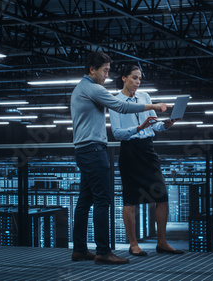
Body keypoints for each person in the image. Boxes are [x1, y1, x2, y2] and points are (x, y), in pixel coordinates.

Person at [70, 52, 168, 265]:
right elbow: (122, 106)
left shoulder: (81, 88)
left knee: (84, 201)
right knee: (102, 201)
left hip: (84, 150)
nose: (107, 75)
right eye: (104, 70)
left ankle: (79, 249)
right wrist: (153, 106)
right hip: (93, 151)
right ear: (92, 70)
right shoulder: (93, 89)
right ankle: (103, 252)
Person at [109, 64, 184, 256]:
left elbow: (154, 125)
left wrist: (165, 125)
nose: (138, 82)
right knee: (130, 200)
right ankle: (133, 245)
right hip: (130, 151)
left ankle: (162, 242)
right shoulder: (115, 100)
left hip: (148, 150)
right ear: (124, 78)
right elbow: (117, 133)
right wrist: (139, 128)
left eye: (140, 79)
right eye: (134, 78)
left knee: (162, 197)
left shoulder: (145, 97)